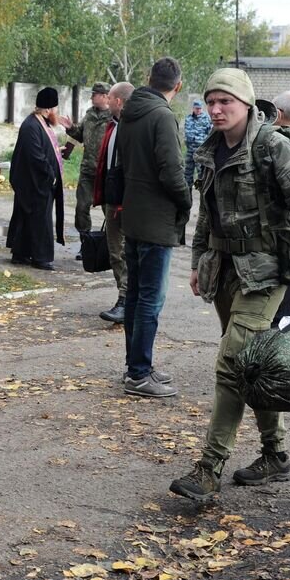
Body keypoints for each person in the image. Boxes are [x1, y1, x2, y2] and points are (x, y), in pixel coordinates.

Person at [169, 68, 290, 501]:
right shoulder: (210, 147)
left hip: (267, 273)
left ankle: (209, 468)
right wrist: (197, 263)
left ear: (246, 103)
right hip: (224, 270)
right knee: (251, 366)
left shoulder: (272, 146)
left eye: (226, 101)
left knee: (231, 364)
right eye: (211, 101)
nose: (216, 109)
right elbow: (207, 213)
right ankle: (275, 454)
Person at [116, 57, 192, 398]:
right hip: (156, 219)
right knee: (150, 298)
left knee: (135, 295)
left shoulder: (130, 112)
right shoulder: (162, 116)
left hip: (134, 215)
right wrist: (186, 201)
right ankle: (138, 374)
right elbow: (172, 170)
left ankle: (136, 366)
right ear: (178, 85)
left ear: (148, 78)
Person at [5, 87, 64, 270]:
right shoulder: (31, 125)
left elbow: (44, 148)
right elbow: (35, 155)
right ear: (48, 109)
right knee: (39, 219)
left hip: (37, 181)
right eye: (55, 108)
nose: (56, 112)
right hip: (34, 182)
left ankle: (21, 253)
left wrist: (56, 152)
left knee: (28, 217)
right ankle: (40, 257)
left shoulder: (40, 123)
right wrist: (50, 174)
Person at [93, 81, 135, 323]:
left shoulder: (134, 127)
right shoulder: (113, 125)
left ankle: (126, 300)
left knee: (123, 251)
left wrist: (125, 200)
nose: (106, 101)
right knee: (115, 251)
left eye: (109, 97)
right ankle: (127, 298)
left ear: (118, 101)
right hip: (111, 196)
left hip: (125, 200)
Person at [63, 81, 112, 259]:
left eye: (94, 94)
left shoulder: (115, 117)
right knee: (81, 208)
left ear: (105, 96)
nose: (91, 97)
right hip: (88, 170)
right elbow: (80, 135)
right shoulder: (90, 114)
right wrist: (70, 128)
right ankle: (86, 245)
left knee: (110, 211)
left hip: (106, 172)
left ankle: (111, 247)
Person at [183, 99, 212, 185]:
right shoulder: (188, 118)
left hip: (201, 151)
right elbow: (186, 133)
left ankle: (201, 191)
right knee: (187, 173)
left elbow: (210, 134)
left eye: (199, 108)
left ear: (202, 108)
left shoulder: (206, 118)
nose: (198, 110)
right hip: (190, 151)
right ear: (193, 108)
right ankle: (188, 192)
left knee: (201, 173)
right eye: (196, 108)